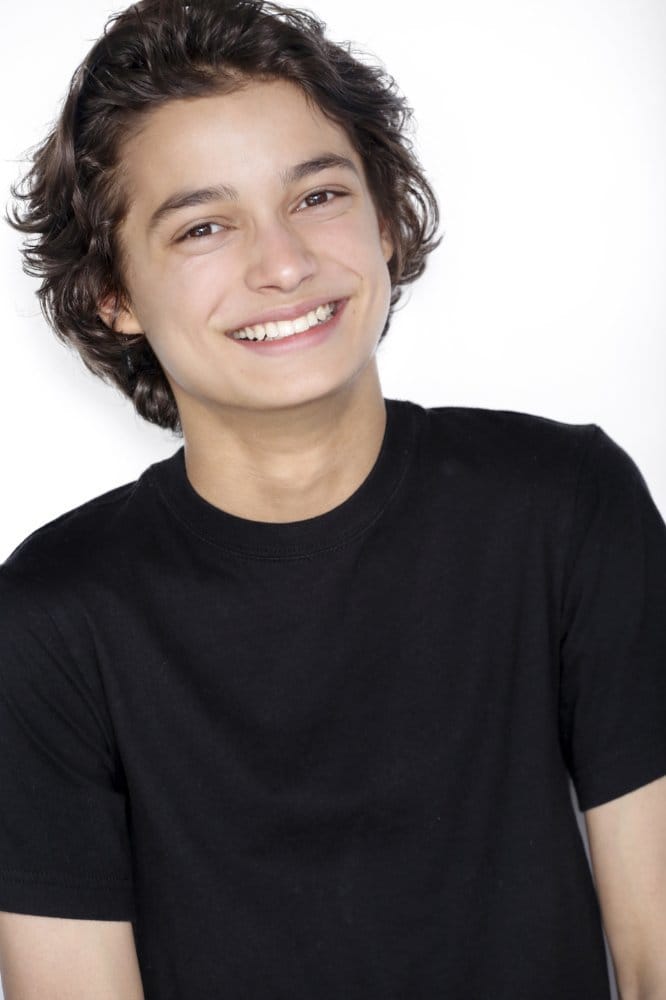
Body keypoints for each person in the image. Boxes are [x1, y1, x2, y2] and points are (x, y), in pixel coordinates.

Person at [0, 0, 665, 997]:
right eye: (204, 226)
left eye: (317, 196)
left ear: (385, 219)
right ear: (114, 294)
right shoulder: (49, 623)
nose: (284, 264)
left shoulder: (566, 508)